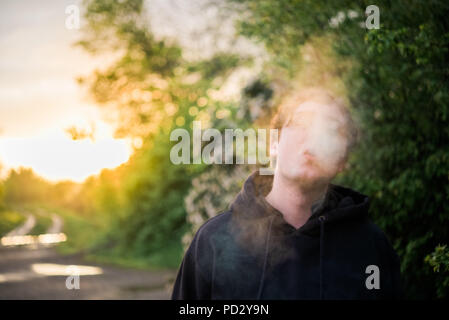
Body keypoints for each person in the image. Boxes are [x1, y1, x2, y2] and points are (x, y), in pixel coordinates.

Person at [171, 88, 402, 300]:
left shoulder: (371, 248)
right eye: (302, 122)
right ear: (274, 143)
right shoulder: (213, 241)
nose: (314, 136)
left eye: (331, 129)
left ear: (342, 160)